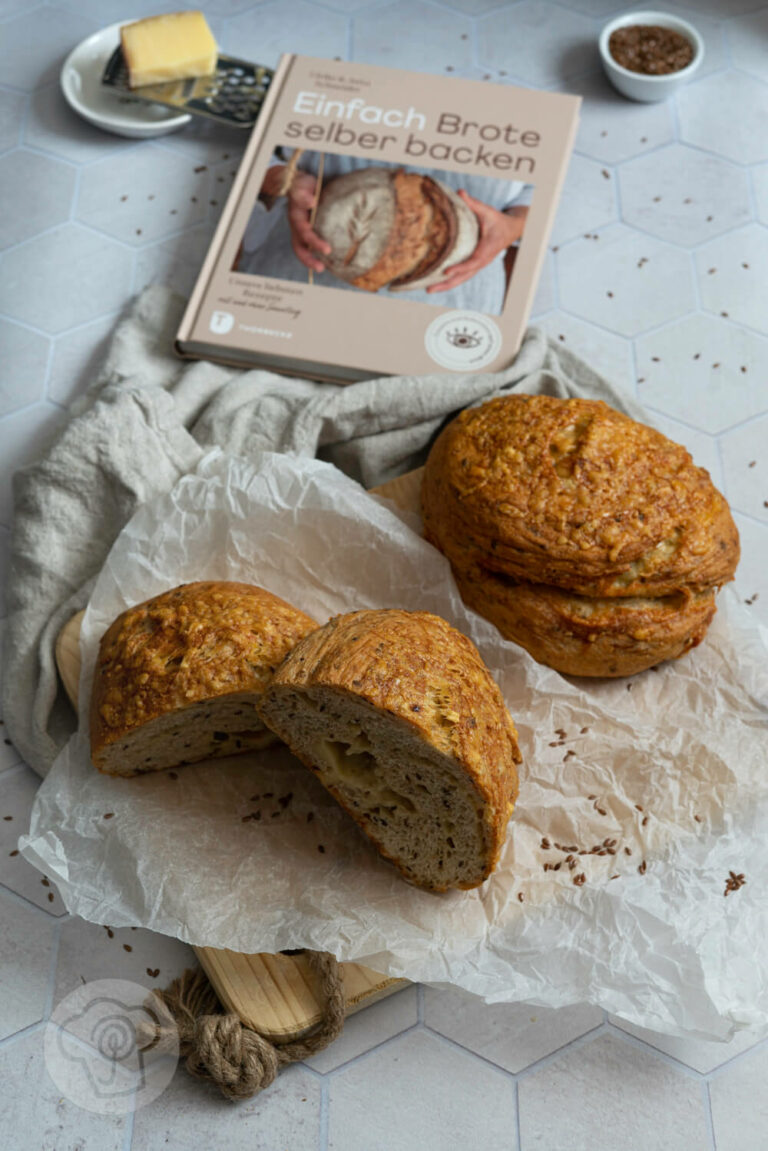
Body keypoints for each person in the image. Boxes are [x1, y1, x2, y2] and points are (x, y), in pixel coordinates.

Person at [235, 152, 531, 315]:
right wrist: (282, 178)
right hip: (290, 283)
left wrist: (514, 226)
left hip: (452, 309)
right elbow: (256, 147)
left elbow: (542, 191)